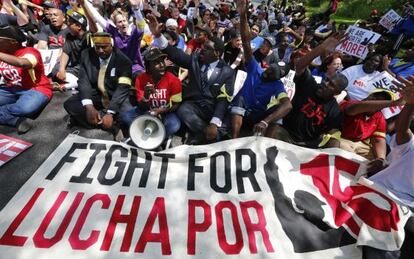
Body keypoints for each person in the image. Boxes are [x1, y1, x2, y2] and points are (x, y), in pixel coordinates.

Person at [147, 13, 235, 144]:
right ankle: (207, 134)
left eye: (207, 49)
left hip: (213, 108)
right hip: (194, 107)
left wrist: (215, 122)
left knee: (230, 117)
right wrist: (159, 36)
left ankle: (208, 134)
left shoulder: (227, 72)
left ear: (217, 53)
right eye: (203, 47)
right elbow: (176, 55)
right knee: (183, 110)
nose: (202, 50)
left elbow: (223, 100)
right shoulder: (195, 60)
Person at [273, 32, 349, 148]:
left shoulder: (334, 110)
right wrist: (322, 47)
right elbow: (300, 66)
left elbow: (334, 131)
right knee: (273, 130)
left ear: (337, 92)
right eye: (327, 80)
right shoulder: (310, 85)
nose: (325, 84)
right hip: (287, 134)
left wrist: (334, 147)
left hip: (309, 145)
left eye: (331, 85)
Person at [231, 0, 292, 138]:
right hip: (240, 111)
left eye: (273, 74)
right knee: (240, 99)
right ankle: (233, 139)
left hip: (257, 117)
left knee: (279, 112)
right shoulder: (255, 68)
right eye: (271, 69)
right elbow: (246, 42)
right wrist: (243, 16)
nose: (269, 72)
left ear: (278, 78)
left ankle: (266, 144)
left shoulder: (278, 86)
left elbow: (287, 106)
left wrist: (265, 121)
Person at [63, 32, 133, 138]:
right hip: (96, 94)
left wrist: (110, 112)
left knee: (127, 115)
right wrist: (89, 106)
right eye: (97, 47)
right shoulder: (86, 55)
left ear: (111, 45)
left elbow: (122, 89)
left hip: (115, 96)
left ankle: (95, 119)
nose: (100, 51)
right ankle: (110, 127)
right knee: (70, 104)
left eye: (104, 47)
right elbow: (83, 81)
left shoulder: (123, 61)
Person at [368, 75, 414, 208]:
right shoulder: (411, 147)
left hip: (406, 212)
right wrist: (410, 104)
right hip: (376, 190)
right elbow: (401, 131)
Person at [121, 48, 182, 141]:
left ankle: (157, 139)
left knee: (174, 125)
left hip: (166, 112)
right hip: (146, 111)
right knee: (125, 117)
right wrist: (146, 96)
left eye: (162, 61)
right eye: (157, 62)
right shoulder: (140, 79)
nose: (162, 65)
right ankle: (146, 131)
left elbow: (176, 105)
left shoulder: (174, 80)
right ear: (148, 67)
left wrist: (160, 111)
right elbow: (141, 106)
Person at [0, 25, 52, 134]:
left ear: (13, 42)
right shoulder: (3, 53)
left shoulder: (31, 51)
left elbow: (22, 63)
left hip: (35, 89)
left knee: (26, 108)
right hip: (10, 89)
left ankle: (7, 114)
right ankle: (16, 120)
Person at [80, 0, 146, 77]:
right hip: (120, 69)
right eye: (120, 22)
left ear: (127, 21)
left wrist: (136, 8)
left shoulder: (134, 33)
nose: (123, 24)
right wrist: (83, 2)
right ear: (116, 25)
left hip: (136, 69)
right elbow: (97, 17)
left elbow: (141, 25)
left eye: (124, 21)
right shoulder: (114, 33)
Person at [339, 90, 404, 164]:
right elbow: (354, 109)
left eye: (383, 101)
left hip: (360, 145)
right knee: (346, 154)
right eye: (377, 97)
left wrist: (380, 159)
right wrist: (395, 103)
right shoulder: (354, 104)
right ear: (370, 96)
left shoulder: (379, 117)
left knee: (385, 164)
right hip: (341, 139)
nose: (378, 102)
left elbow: (378, 140)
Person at [54, 11, 90, 92]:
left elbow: (95, 29)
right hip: (75, 68)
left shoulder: (89, 37)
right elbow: (66, 52)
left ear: (79, 26)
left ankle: (70, 85)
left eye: (70, 24)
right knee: (56, 70)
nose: (67, 26)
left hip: (88, 69)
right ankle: (76, 83)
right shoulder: (69, 36)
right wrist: (62, 69)